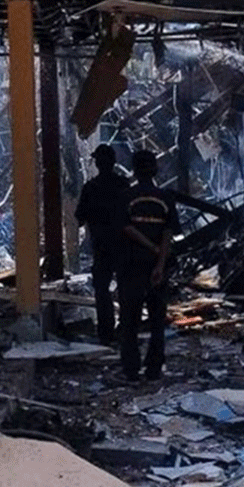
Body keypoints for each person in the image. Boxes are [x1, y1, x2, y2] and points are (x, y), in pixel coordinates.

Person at [116, 150, 180, 383]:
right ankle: (154, 369)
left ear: (134, 170)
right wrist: (160, 262)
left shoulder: (126, 197)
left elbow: (126, 228)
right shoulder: (165, 198)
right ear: (155, 170)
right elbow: (168, 233)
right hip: (157, 267)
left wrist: (150, 248)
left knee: (129, 320)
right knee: (157, 320)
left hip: (131, 265)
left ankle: (131, 369)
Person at [74, 144, 129, 346]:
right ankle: (126, 329)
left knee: (102, 290)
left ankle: (106, 332)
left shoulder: (91, 188)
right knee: (125, 288)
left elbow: (79, 218)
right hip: (124, 244)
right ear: (113, 162)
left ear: (97, 163)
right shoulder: (123, 185)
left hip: (101, 246)